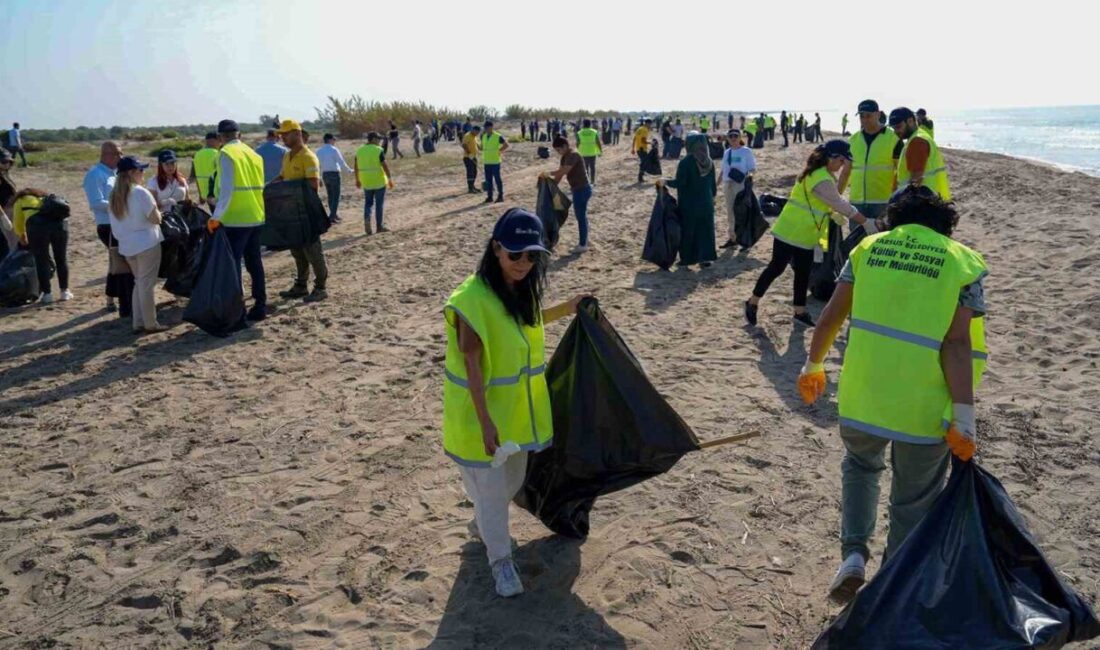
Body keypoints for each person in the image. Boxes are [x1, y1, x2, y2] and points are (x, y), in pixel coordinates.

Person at [798, 186, 988, 605]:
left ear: (893, 219)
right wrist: (964, 415)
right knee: (912, 497)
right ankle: (893, 581)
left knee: (861, 468)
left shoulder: (867, 250)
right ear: (945, 228)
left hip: (864, 394)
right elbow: (957, 345)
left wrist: (813, 364)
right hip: (921, 406)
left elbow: (832, 314)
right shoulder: (963, 263)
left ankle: (852, 557)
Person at [442, 208, 585, 598]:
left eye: (531, 256)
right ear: (496, 249)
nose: (523, 264)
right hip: (480, 419)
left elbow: (530, 323)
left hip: (519, 416)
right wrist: (485, 422)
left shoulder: (519, 290)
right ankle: (500, 562)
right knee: (491, 494)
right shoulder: (472, 299)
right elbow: (471, 360)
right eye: (515, 255)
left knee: (511, 484)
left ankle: (485, 526)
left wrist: (568, 308)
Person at [745, 141, 878, 327]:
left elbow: (829, 201)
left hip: (806, 234)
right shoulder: (820, 178)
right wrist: (866, 222)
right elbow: (839, 202)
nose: (842, 166)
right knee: (776, 267)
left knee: (803, 273)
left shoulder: (821, 174)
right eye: (841, 161)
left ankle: (799, 311)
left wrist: (834, 213)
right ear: (832, 158)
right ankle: (752, 302)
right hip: (790, 231)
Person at [208, 119, 268, 322]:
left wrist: (215, 217)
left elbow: (227, 191)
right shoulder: (254, 154)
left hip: (235, 219)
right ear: (239, 134)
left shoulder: (226, 154)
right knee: (255, 263)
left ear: (219, 137)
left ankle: (237, 312)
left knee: (233, 267)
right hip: (256, 215)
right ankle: (260, 305)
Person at [271, 119, 329, 303]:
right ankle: (301, 286)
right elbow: (282, 176)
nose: (282, 138)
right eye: (281, 135)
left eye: (285, 134)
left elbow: (313, 186)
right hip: (291, 213)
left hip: (307, 213)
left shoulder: (309, 157)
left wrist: (289, 188)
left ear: (297, 133)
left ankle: (320, 287)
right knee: (297, 251)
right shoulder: (287, 156)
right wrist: (269, 187)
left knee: (313, 252)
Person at [108, 155, 166, 331]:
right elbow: (155, 219)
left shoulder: (114, 195)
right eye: (141, 170)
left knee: (139, 283)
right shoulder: (140, 192)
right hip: (146, 242)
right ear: (132, 173)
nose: (143, 173)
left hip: (127, 245)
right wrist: (159, 212)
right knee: (146, 285)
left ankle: (138, 322)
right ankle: (150, 323)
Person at [85, 140, 133, 316]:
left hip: (120, 223)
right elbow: (96, 203)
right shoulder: (95, 174)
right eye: (117, 153)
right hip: (107, 225)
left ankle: (111, 298)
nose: (121, 156)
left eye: (121, 153)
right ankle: (124, 304)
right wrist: (122, 205)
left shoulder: (115, 173)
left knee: (117, 262)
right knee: (123, 263)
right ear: (105, 155)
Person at [838, 100, 902, 227]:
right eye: (862, 116)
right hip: (856, 204)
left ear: (878, 114)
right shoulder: (853, 140)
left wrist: (896, 199)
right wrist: (835, 197)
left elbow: (901, 172)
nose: (865, 120)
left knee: (881, 242)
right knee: (856, 243)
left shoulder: (893, 139)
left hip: (883, 203)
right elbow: (845, 172)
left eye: (869, 116)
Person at [657, 133, 717, 269]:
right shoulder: (709, 161)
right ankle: (705, 258)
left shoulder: (687, 162)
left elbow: (681, 182)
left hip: (689, 204)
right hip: (706, 203)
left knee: (689, 231)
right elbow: (712, 185)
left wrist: (665, 181)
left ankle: (688, 258)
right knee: (706, 231)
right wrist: (712, 199)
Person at [13, 187, 71, 304]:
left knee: (41, 260)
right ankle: (64, 292)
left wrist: (22, 236)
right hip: (59, 225)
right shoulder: (45, 198)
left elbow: (17, 222)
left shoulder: (21, 200)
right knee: (61, 258)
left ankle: (47, 294)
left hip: (37, 228)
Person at [544, 135, 593, 253]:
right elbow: (559, 175)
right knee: (582, 216)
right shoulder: (564, 157)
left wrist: (548, 173)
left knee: (580, 217)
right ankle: (585, 239)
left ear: (565, 146)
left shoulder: (573, 155)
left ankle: (583, 245)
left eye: (559, 150)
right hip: (577, 190)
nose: (558, 152)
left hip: (582, 190)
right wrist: (551, 187)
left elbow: (564, 171)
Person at [889, 107, 951, 200]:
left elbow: (915, 181)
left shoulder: (917, 142)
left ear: (910, 121)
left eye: (898, 127)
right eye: (893, 128)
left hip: (919, 202)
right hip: (930, 200)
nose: (896, 132)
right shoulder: (921, 136)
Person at [719, 129, 757, 249]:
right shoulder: (727, 152)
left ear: (740, 137)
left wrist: (749, 179)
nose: (733, 138)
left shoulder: (746, 151)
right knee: (730, 212)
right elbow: (722, 170)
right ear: (728, 138)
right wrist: (716, 184)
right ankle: (733, 238)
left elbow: (752, 169)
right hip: (728, 184)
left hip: (740, 185)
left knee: (742, 213)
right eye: (730, 136)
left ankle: (745, 240)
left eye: (736, 135)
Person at [355, 132, 395, 235]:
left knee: (368, 203)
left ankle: (367, 218)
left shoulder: (359, 150)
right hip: (379, 181)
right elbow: (385, 166)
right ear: (373, 139)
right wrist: (390, 179)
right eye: (378, 138)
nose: (379, 140)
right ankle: (379, 226)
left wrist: (357, 179)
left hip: (366, 181)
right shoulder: (378, 150)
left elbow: (356, 166)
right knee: (379, 204)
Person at [316, 133, 353, 223]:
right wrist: (349, 171)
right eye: (334, 139)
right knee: (336, 197)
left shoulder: (319, 151)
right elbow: (341, 163)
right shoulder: (334, 150)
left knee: (330, 196)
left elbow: (317, 166)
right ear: (329, 140)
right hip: (334, 175)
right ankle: (332, 217)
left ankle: (334, 214)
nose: (335, 141)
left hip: (325, 175)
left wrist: (319, 177)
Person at [189, 132, 222, 206]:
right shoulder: (217, 154)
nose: (220, 143)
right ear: (214, 141)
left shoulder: (197, 155)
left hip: (205, 195)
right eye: (219, 141)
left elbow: (196, 177)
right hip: (217, 195)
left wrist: (200, 195)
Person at [480, 121, 508, 203]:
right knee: (488, 180)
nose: (485, 129)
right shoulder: (484, 136)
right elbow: (482, 147)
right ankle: (490, 197)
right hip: (487, 161)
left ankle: (500, 196)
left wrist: (499, 151)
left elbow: (506, 145)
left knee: (497, 179)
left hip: (495, 162)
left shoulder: (497, 136)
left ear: (491, 127)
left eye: (487, 128)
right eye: (485, 128)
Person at [0, 150, 17, 257]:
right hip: (3, 213)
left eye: (9, 162)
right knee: (4, 247)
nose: (7, 164)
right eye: (4, 162)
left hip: (10, 211)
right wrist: (3, 217)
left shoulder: (4, 174)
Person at [576, 119, 602, 184]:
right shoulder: (594, 132)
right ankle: (592, 181)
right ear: (590, 124)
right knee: (592, 168)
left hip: (583, 153)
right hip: (592, 153)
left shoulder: (579, 132)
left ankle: (586, 181)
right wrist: (600, 151)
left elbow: (577, 143)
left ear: (583, 124)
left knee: (585, 168)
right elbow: (598, 142)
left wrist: (577, 150)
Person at [631, 118, 652, 184]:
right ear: (647, 123)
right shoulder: (645, 130)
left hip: (638, 148)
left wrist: (633, 148)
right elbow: (643, 141)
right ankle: (640, 177)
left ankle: (641, 175)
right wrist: (651, 143)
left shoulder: (639, 129)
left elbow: (634, 138)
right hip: (642, 148)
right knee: (644, 162)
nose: (650, 126)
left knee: (644, 162)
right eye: (650, 124)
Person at [462, 125, 481, 194]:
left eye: (478, 133)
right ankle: (470, 188)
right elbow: (464, 145)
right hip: (468, 157)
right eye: (476, 132)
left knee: (475, 172)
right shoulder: (467, 135)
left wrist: (479, 147)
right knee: (470, 172)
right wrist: (469, 153)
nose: (477, 134)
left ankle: (473, 186)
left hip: (474, 157)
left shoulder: (474, 137)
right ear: (473, 130)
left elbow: (476, 144)